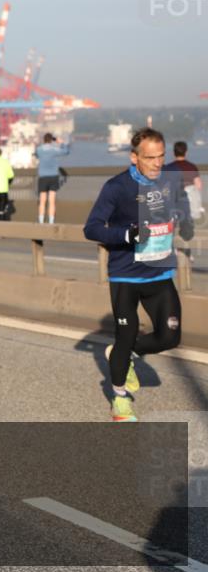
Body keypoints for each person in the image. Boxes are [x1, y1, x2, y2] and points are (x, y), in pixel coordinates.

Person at [83, 127, 193, 422]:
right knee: (126, 333)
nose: (158, 164)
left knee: (170, 336)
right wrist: (126, 234)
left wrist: (185, 218)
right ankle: (119, 400)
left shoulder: (168, 181)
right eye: (150, 158)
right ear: (134, 157)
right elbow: (91, 228)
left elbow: (179, 203)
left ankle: (122, 353)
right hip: (126, 277)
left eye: (161, 156)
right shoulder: (117, 187)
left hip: (159, 273)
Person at [35, 133, 71, 224]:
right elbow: (66, 151)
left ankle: (41, 221)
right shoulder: (55, 150)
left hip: (43, 177)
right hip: (53, 177)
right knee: (52, 201)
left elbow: (36, 155)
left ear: (44, 140)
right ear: (52, 140)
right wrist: (61, 143)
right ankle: (51, 222)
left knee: (42, 201)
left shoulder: (39, 149)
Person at [164, 141, 203, 221]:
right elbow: (198, 185)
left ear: (173, 152)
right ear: (186, 152)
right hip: (189, 202)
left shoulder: (168, 168)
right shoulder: (191, 167)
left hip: (173, 201)